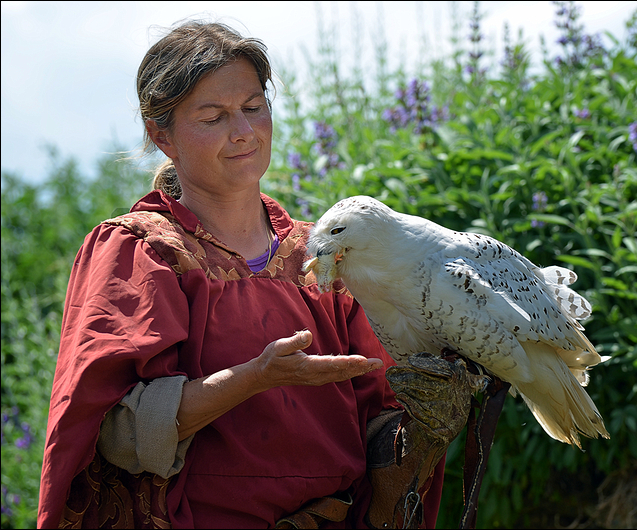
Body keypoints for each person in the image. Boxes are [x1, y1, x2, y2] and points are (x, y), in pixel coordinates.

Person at [37, 20, 475, 529]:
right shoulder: (143, 253)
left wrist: (418, 427)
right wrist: (254, 379)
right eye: (213, 116)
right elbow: (117, 435)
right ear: (162, 136)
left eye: (252, 108)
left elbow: (376, 410)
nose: (243, 132)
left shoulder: (328, 255)